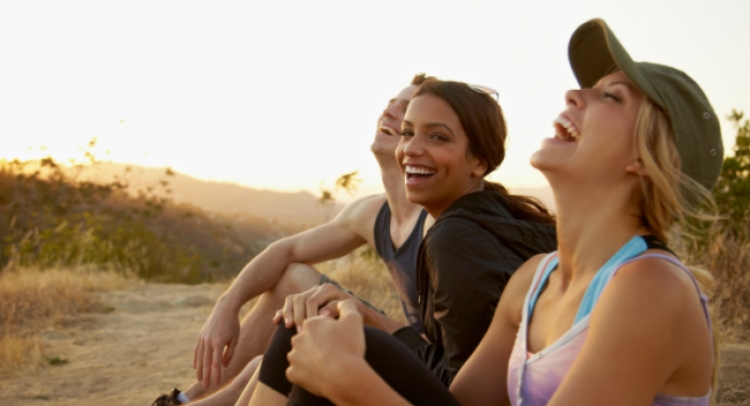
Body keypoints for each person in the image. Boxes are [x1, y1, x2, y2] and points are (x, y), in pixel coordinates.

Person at [271, 18, 723, 406]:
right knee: (319, 331)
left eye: (611, 97)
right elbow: (454, 400)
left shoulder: (652, 288)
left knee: (342, 357)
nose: (573, 94)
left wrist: (352, 383)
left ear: (643, 159)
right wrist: (361, 324)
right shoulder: (534, 279)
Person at [249, 78, 557, 405]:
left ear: (479, 161)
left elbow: (465, 389)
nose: (411, 148)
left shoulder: (455, 240)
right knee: (315, 327)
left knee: (303, 331)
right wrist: (369, 318)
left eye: (437, 136)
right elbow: (455, 357)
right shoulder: (494, 213)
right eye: (408, 133)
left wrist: (356, 369)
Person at [151, 74, 437, 406]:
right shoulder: (373, 212)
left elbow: (447, 352)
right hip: (400, 343)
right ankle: (186, 399)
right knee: (294, 277)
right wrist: (226, 305)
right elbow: (285, 249)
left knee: (269, 363)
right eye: (390, 104)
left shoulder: (438, 220)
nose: (389, 112)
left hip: (421, 367)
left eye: (404, 109)